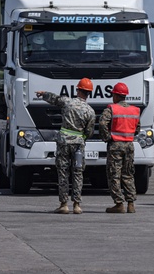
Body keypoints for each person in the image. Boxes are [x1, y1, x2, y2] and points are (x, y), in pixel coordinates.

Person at [37, 78, 96, 215]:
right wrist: (81, 138)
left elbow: (55, 99)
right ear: (89, 93)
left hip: (64, 142)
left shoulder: (68, 102)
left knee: (63, 172)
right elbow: (89, 131)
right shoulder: (90, 111)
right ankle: (77, 205)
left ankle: (64, 204)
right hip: (78, 144)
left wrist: (43, 93)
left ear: (78, 90)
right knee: (78, 172)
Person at [98, 82, 140, 213]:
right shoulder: (135, 110)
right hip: (129, 145)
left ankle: (119, 203)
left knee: (114, 174)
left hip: (115, 145)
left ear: (116, 96)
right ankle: (131, 203)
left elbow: (102, 123)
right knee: (128, 174)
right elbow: (137, 128)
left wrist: (107, 137)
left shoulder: (112, 109)